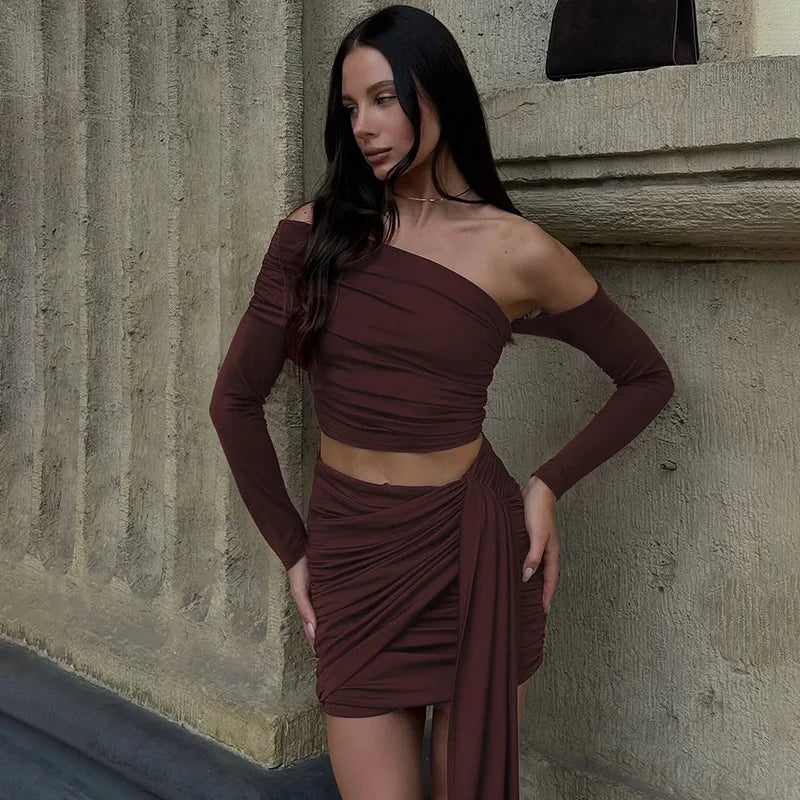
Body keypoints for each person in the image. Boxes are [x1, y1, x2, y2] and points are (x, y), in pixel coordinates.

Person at [209, 5, 674, 799]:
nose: (363, 126)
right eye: (350, 107)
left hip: (474, 552)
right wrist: (294, 548)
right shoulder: (313, 236)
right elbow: (234, 403)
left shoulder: (515, 251)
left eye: (385, 98)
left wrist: (548, 483)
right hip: (353, 558)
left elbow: (646, 377)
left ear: (440, 93)